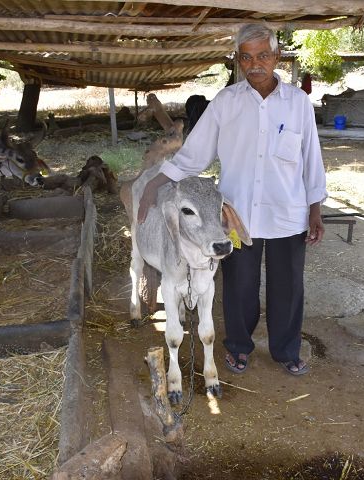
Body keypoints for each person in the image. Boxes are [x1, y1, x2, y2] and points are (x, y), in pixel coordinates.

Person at [137, 24, 327, 375]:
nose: (255, 64)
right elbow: (195, 154)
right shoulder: (227, 102)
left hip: (288, 212)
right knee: (239, 285)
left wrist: (316, 209)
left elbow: (311, 157)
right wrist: (155, 183)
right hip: (236, 216)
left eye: (263, 56)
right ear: (238, 60)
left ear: (277, 57)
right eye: (247, 57)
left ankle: (286, 350)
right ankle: (239, 347)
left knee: (288, 286)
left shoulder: (298, 103)